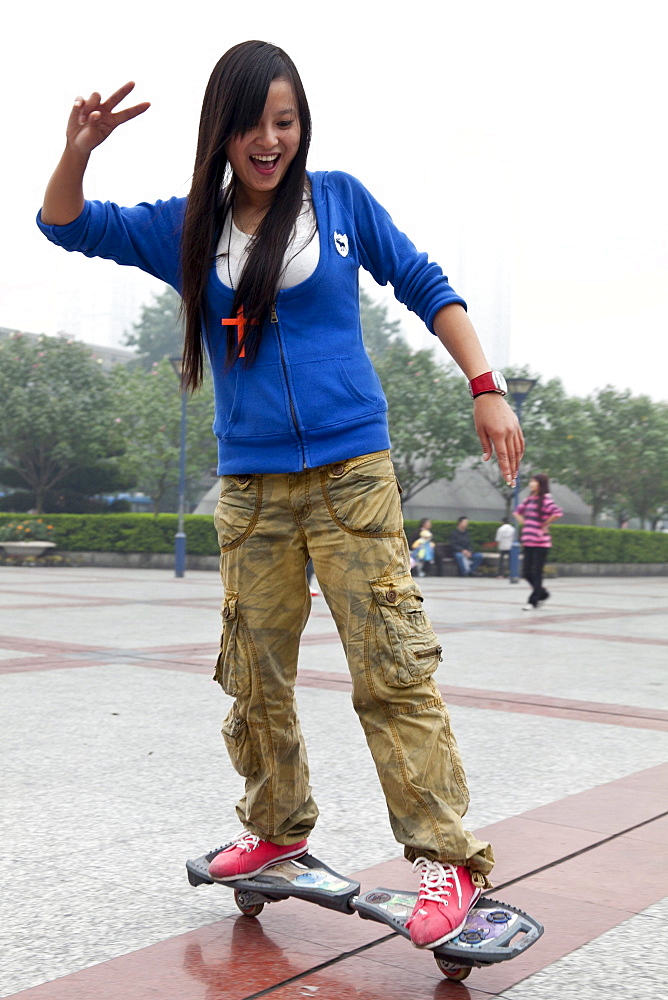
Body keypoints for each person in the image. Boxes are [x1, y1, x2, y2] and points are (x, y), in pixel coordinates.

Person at [37, 40, 524, 951]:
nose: (271, 139)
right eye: (253, 122)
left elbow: (427, 285)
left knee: (389, 671)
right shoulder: (189, 228)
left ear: (303, 126)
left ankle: (446, 863)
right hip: (253, 492)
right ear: (221, 129)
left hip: (352, 482)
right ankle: (274, 829)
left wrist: (484, 384)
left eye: (286, 120)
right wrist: (80, 150)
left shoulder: (338, 203)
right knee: (254, 676)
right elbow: (64, 224)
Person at [513, 474, 562, 610]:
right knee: (526, 572)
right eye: (531, 481)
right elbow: (517, 511)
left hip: (541, 542)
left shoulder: (546, 499)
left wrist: (546, 523)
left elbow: (557, 512)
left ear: (541, 484)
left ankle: (532, 601)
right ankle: (543, 593)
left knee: (537, 572)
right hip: (528, 540)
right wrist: (524, 522)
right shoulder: (529, 500)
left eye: (534, 481)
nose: (531, 484)